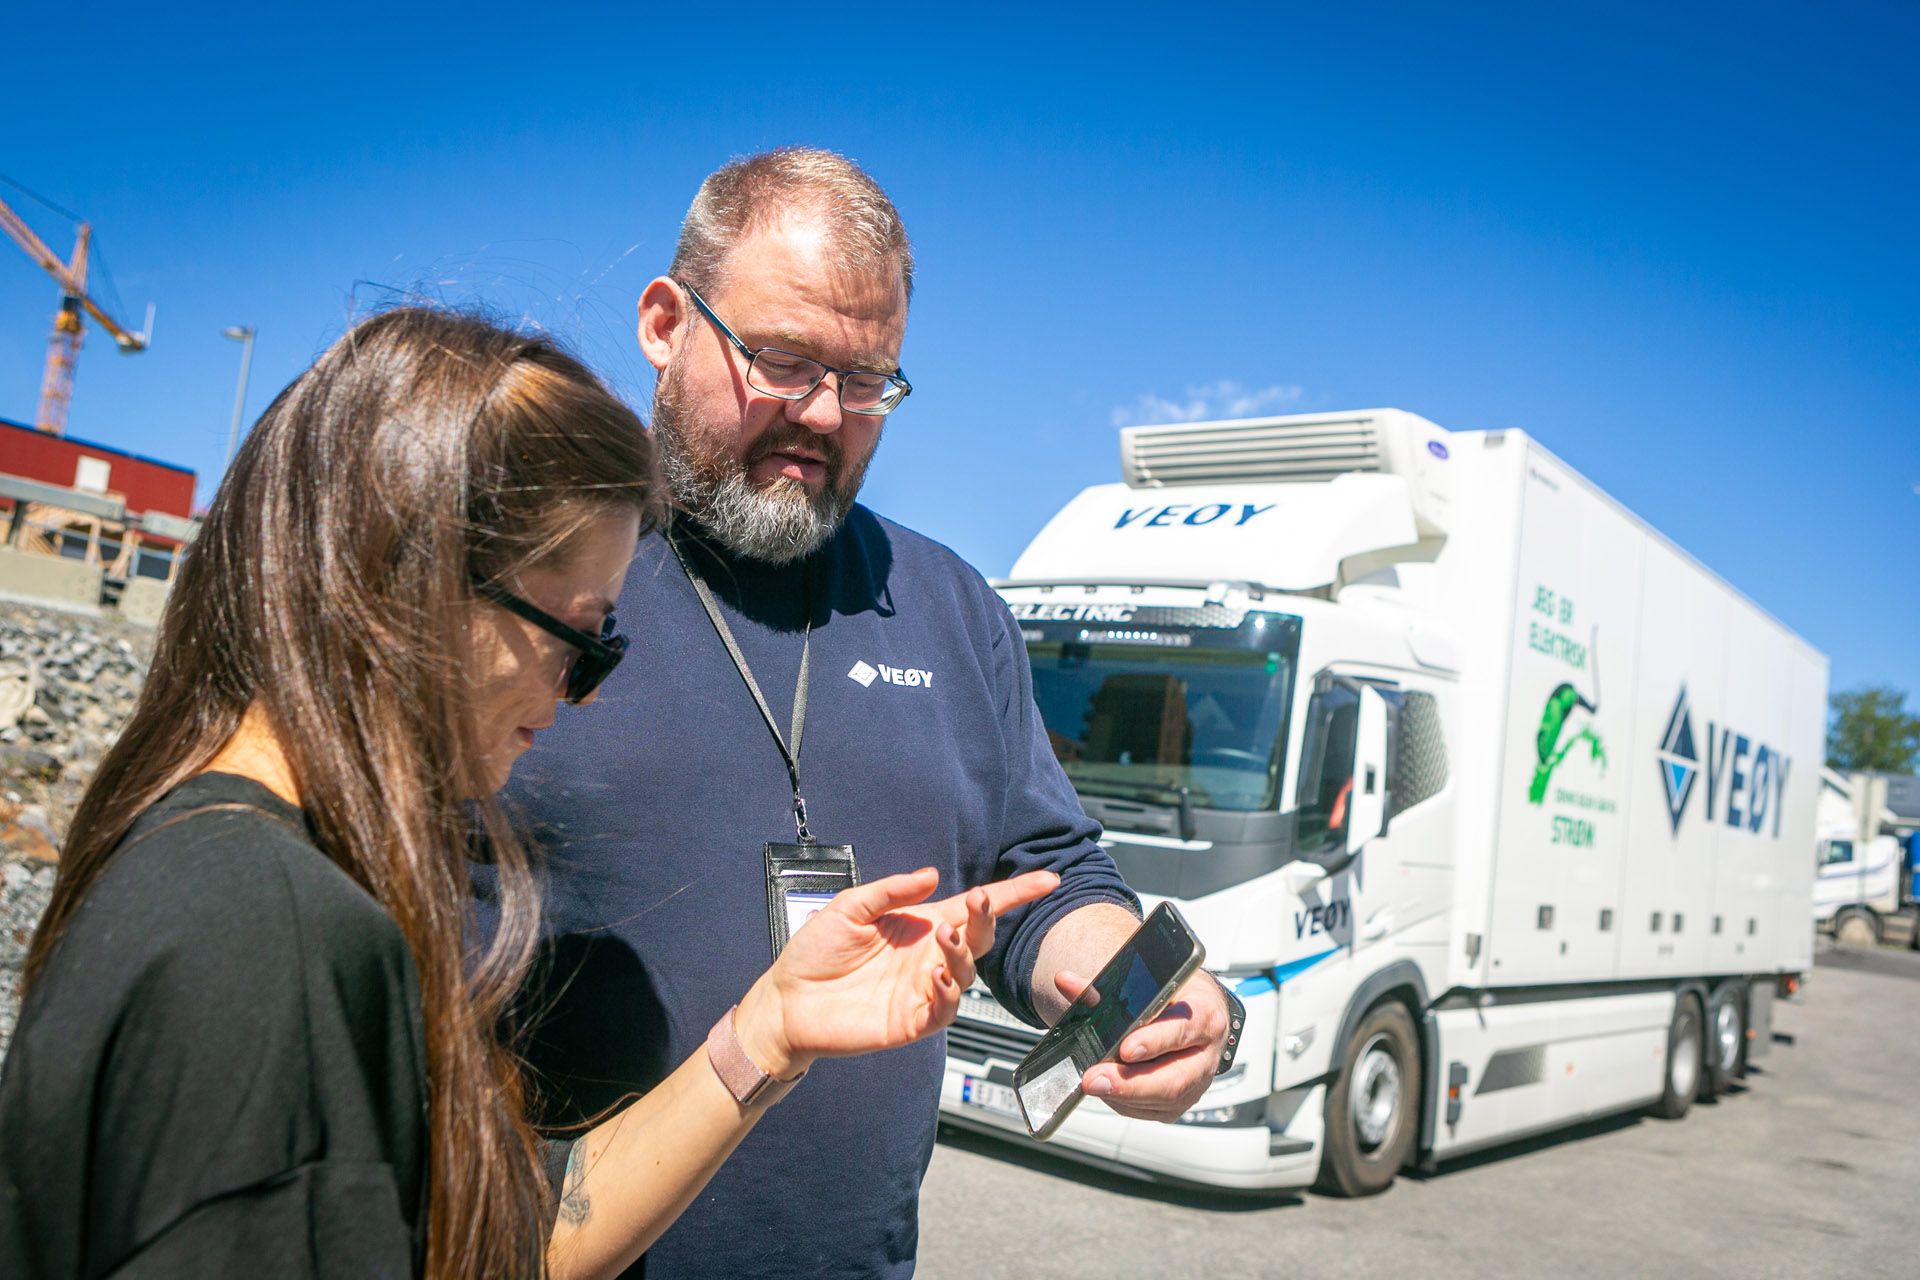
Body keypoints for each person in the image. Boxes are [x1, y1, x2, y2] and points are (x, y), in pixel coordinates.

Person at [0, 307, 1056, 1280]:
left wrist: (771, 1027)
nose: (583, 692)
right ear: (405, 578)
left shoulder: (228, 871)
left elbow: (505, 1234)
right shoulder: (263, 930)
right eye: (580, 642)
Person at [497, 147, 1233, 1278]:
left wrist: (1140, 987)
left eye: (870, 381)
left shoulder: (949, 605)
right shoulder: (536, 572)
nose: (825, 415)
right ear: (663, 322)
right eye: (784, 361)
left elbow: (1047, 869)